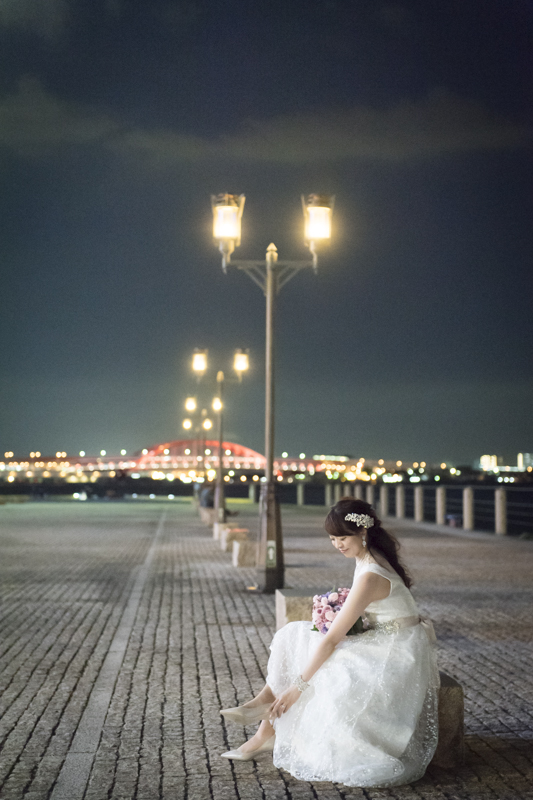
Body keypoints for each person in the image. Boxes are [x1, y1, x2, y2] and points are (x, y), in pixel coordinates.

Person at [219, 497, 440, 788]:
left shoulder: (370, 574)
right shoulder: (368, 556)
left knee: (321, 657)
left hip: (395, 651)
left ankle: (265, 724)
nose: (337, 544)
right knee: (294, 634)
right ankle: (264, 711)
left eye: (342, 538)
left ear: (362, 531)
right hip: (385, 638)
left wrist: (297, 688)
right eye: (333, 539)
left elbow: (333, 638)